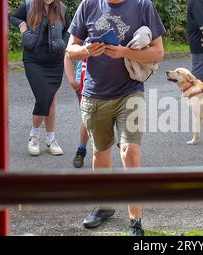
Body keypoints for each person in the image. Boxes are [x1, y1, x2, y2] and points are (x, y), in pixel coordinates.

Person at [65, 0, 165, 236]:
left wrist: (125, 52)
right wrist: (88, 50)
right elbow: (70, 50)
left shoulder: (143, 6)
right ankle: (104, 206)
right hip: (94, 93)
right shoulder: (88, 5)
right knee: (100, 152)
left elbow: (159, 52)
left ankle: (135, 221)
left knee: (130, 152)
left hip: (130, 92)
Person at [10, 0, 70, 156]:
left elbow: (68, 30)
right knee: (43, 98)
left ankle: (51, 140)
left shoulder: (62, 8)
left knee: (51, 102)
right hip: (33, 59)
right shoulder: (30, 5)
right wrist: (23, 27)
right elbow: (12, 17)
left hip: (55, 61)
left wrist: (63, 43)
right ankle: (34, 136)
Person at [64, 56, 90, 168]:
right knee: (88, 117)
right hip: (84, 83)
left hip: (115, 83)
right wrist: (72, 81)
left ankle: (124, 144)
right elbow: (68, 56)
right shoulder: (82, 38)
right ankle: (81, 149)